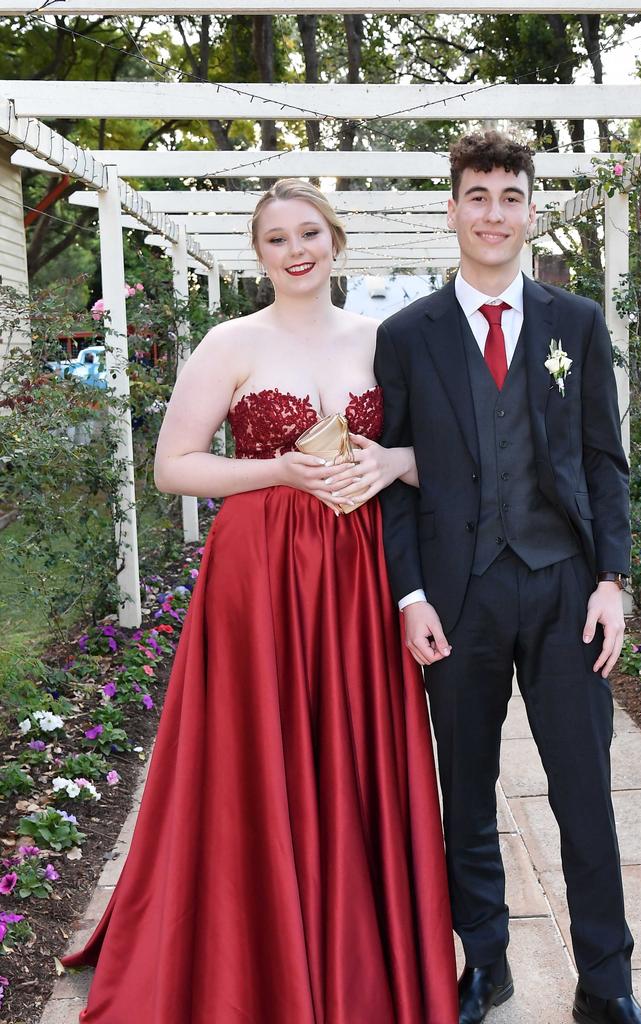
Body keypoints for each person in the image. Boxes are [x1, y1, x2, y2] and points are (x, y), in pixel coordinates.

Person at [60, 178, 458, 1024]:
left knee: (354, 744)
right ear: (260, 255)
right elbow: (175, 466)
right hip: (260, 572)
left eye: (308, 232)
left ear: (336, 240)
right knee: (258, 744)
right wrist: (277, 470)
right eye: (276, 239)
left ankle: (354, 940)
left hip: (358, 571)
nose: (296, 250)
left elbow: (440, 462)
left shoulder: (386, 341)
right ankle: (257, 940)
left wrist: (391, 461)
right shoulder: (229, 342)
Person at [374, 131, 641, 1024]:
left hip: (566, 586)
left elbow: (606, 462)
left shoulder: (574, 322)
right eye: (478, 195)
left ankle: (606, 982)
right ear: (453, 209)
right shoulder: (405, 335)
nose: (494, 213)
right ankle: (484, 962)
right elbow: (390, 476)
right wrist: (409, 594)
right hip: (459, 599)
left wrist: (612, 578)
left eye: (509, 196)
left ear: (531, 210)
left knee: (585, 794)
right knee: (465, 795)